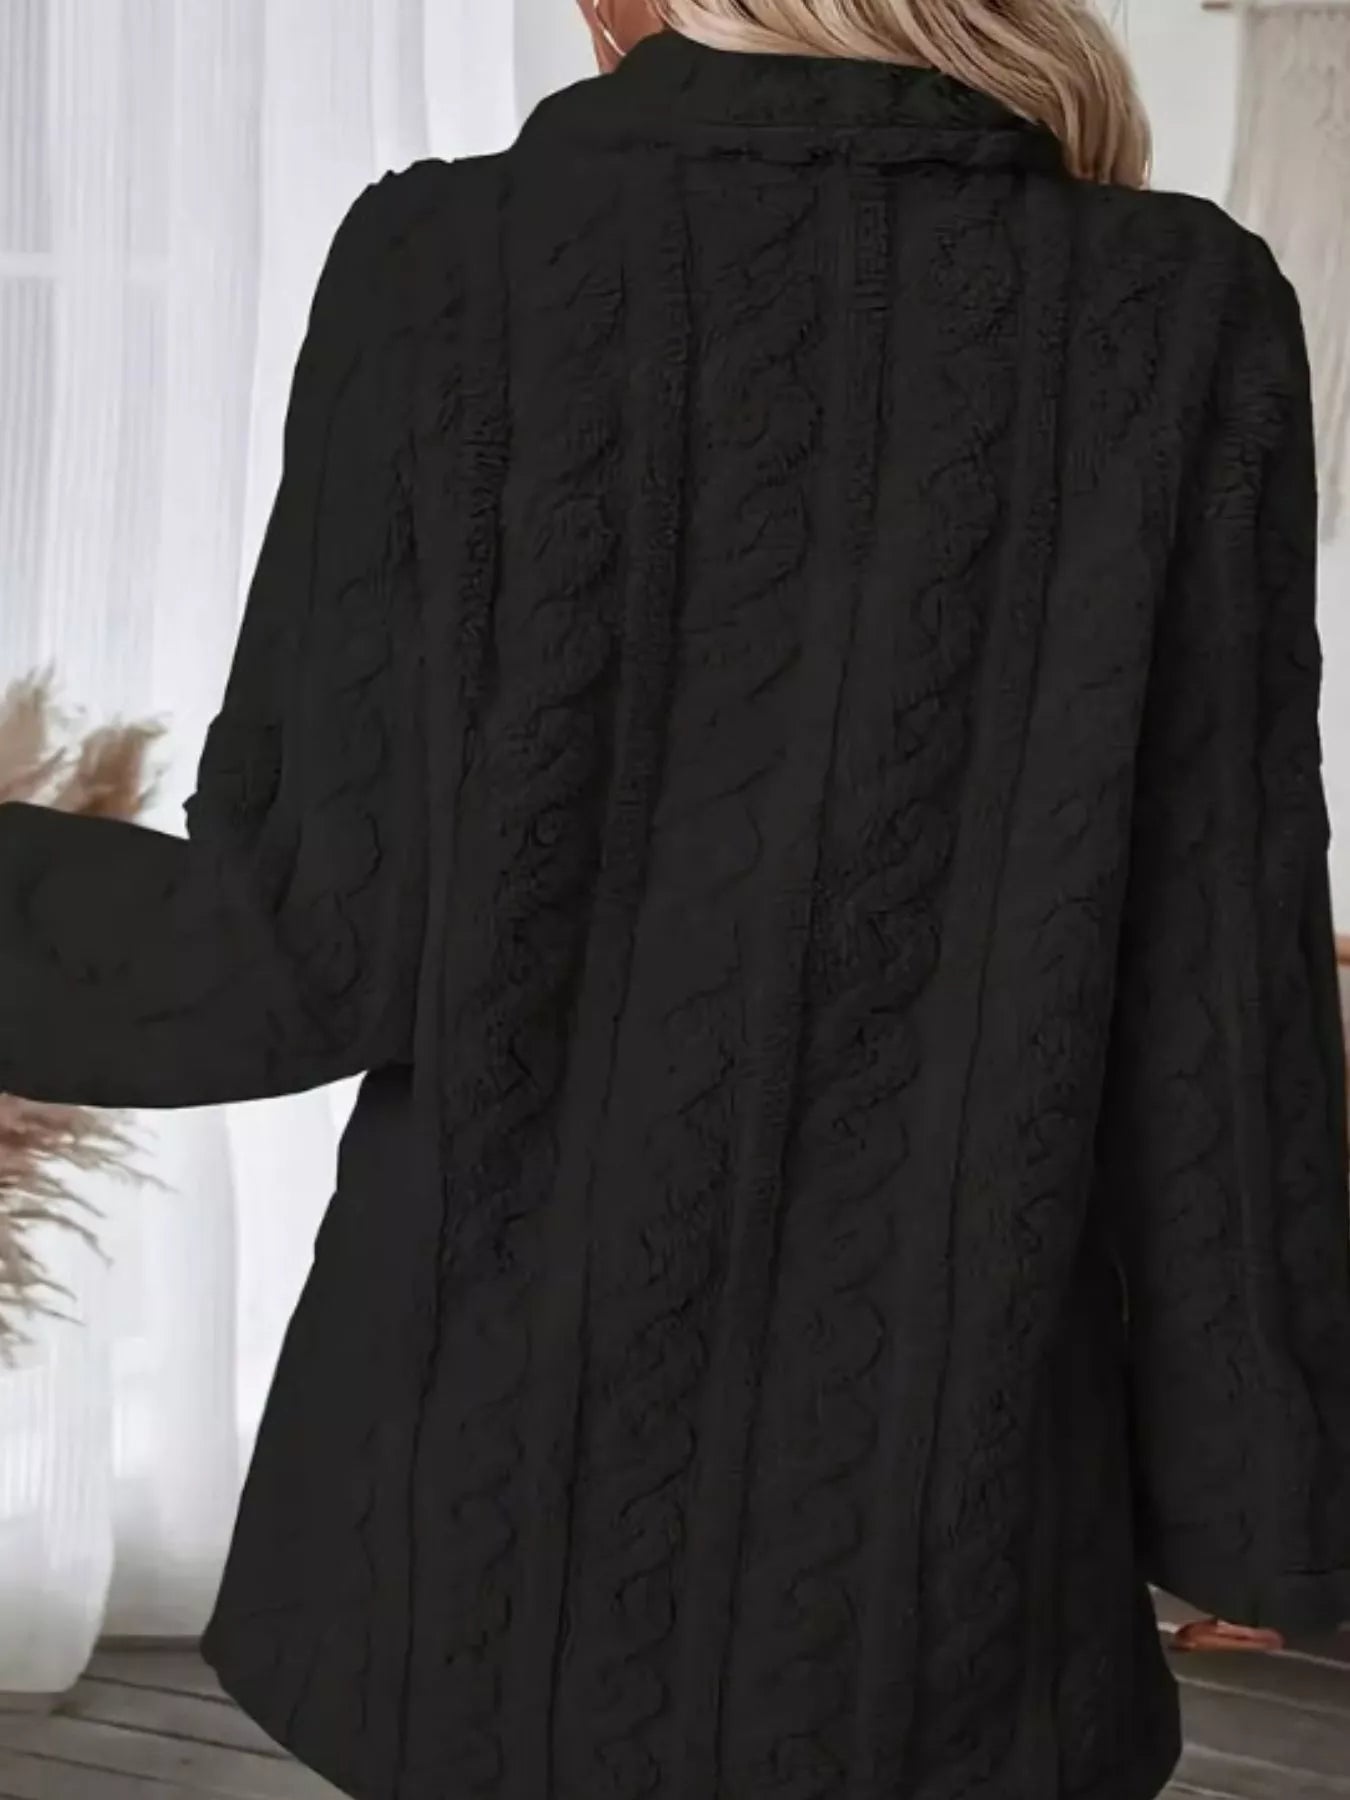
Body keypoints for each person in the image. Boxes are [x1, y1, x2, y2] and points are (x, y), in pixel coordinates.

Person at [1, 1, 1348, 1795]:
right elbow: (1217, 990)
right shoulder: (1179, 307)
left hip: (478, 1529)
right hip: (946, 1545)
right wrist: (1261, 1506)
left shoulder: (445, 260)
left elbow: (299, 948)